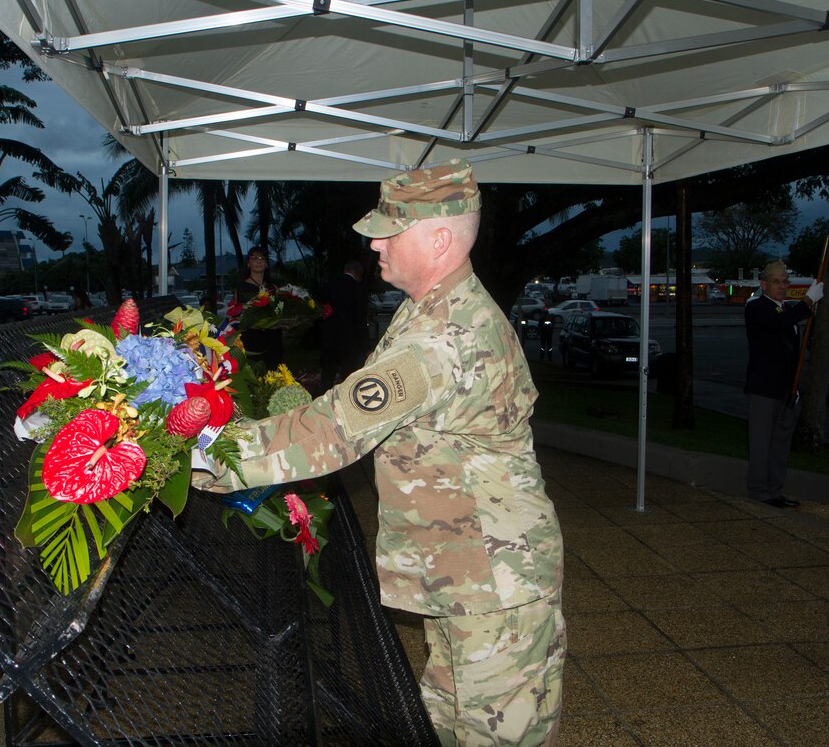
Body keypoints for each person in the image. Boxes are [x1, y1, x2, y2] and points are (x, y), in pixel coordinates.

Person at [196, 160, 565, 746]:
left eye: (390, 229)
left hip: (495, 582)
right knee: (444, 723)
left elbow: (334, 429)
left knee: (497, 735)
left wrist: (199, 453)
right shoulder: (433, 308)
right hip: (465, 569)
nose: (373, 241)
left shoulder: (444, 339)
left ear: (438, 238)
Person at [743, 260, 824, 508]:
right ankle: (759, 491)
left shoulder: (786, 309)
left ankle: (774, 490)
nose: (782, 286)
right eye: (776, 281)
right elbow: (778, 323)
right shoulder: (757, 307)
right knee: (761, 443)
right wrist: (808, 302)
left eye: (785, 281)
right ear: (764, 284)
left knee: (780, 444)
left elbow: (794, 348)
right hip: (765, 388)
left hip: (787, 389)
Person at [319, 260, 370, 390]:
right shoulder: (357, 288)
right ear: (358, 273)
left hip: (329, 338)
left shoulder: (328, 285)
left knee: (328, 372)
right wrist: (365, 346)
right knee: (348, 374)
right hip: (350, 340)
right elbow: (360, 318)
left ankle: (322, 398)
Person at [234, 246, 284, 370]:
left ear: (266, 264)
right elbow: (237, 315)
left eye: (262, 258)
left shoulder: (273, 287)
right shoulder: (241, 287)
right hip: (252, 339)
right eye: (254, 258)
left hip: (273, 339)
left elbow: (280, 312)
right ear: (248, 263)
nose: (258, 261)